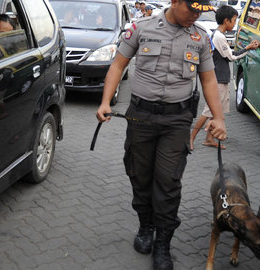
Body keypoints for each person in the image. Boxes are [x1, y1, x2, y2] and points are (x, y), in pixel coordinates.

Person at [95, 1, 225, 269]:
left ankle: (163, 243)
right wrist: (105, 101)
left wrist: (219, 117)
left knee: (168, 181)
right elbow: (118, 65)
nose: (196, 15)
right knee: (139, 175)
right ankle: (145, 226)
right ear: (175, 2)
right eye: (191, 8)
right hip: (140, 116)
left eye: (201, 11)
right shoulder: (140, 29)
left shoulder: (200, 37)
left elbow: (209, 80)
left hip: (177, 120)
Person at [190, 5, 258, 150]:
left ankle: (209, 138)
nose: (234, 24)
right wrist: (248, 48)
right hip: (218, 79)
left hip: (220, 77)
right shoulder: (219, 37)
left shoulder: (217, 35)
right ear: (226, 20)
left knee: (216, 112)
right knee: (209, 111)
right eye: (234, 20)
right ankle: (191, 138)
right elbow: (232, 56)